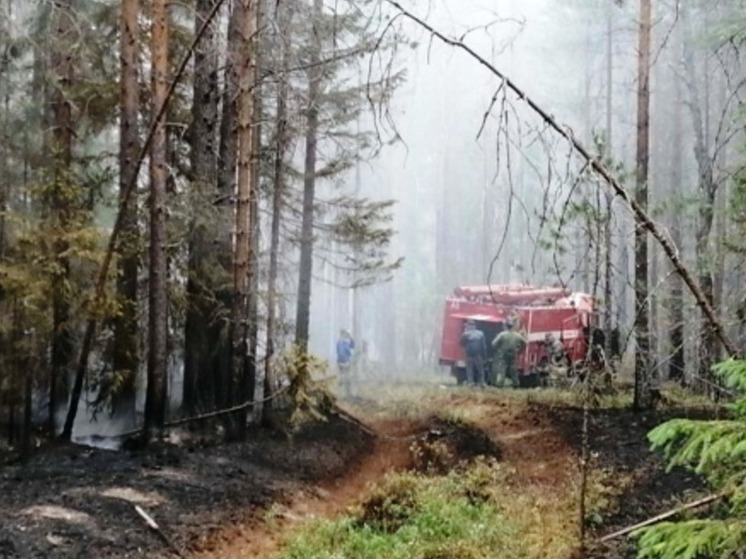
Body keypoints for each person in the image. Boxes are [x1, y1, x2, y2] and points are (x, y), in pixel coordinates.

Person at [491, 320, 527, 388]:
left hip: (503, 355)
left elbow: (493, 344)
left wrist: (498, 350)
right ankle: (516, 385)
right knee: (513, 371)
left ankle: (500, 385)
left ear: (506, 326)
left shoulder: (502, 334)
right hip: (513, 355)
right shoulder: (517, 335)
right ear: (513, 326)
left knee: (502, 370)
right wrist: (519, 350)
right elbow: (525, 343)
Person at [459, 320, 487, 387]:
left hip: (469, 355)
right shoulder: (481, 333)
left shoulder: (466, 334)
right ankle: (482, 383)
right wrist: (484, 356)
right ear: (475, 326)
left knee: (470, 370)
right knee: (480, 370)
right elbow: (484, 346)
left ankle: (470, 382)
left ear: (468, 326)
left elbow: (461, 343)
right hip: (478, 355)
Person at [336, 329, 355, 396]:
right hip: (345, 362)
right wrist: (350, 337)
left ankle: (342, 392)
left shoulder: (339, 342)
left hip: (340, 362)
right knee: (346, 377)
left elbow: (352, 346)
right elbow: (352, 346)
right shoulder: (344, 343)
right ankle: (346, 392)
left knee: (343, 376)